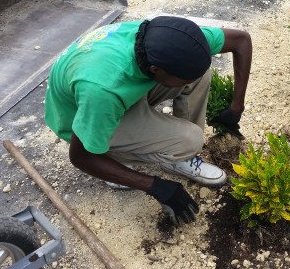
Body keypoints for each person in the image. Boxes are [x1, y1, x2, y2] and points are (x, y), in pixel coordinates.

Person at [44, 16, 252, 224]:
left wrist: (236, 107)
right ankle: (115, 159)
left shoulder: (170, 40)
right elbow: (81, 157)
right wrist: (154, 186)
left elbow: (241, 40)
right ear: (155, 70)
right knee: (190, 139)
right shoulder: (104, 90)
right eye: (183, 80)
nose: (188, 82)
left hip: (113, 90)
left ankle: (180, 159)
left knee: (198, 70)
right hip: (82, 115)